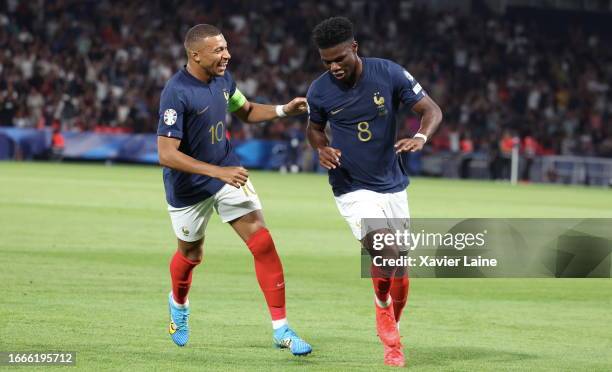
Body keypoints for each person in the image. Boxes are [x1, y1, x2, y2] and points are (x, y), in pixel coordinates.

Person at [157, 24, 311, 356]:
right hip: (189, 187)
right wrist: (217, 172)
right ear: (195, 55)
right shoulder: (176, 92)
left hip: (227, 174)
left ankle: (281, 329)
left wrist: (285, 110)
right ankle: (178, 304)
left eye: (226, 48)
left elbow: (247, 111)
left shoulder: (224, 80)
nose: (227, 54)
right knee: (190, 255)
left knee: (263, 242)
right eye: (218, 50)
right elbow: (166, 154)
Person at [306, 17, 442, 367]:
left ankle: (393, 324)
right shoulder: (319, 91)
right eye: (326, 61)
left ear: (355, 48)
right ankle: (383, 315)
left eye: (339, 58)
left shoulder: (389, 73)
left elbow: (431, 110)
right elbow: (315, 129)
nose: (333, 67)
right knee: (387, 252)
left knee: (400, 266)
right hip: (350, 185)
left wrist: (420, 137)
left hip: (392, 184)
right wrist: (320, 148)